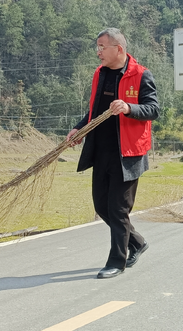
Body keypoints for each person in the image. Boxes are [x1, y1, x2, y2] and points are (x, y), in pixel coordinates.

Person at [67, 28, 159, 279]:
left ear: (118, 49)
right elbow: (94, 110)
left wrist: (129, 107)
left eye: (101, 47)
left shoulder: (141, 75)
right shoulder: (100, 74)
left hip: (128, 154)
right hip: (101, 151)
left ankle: (117, 261)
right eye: (97, 47)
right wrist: (78, 128)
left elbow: (153, 109)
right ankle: (137, 243)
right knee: (101, 205)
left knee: (119, 209)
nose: (98, 52)